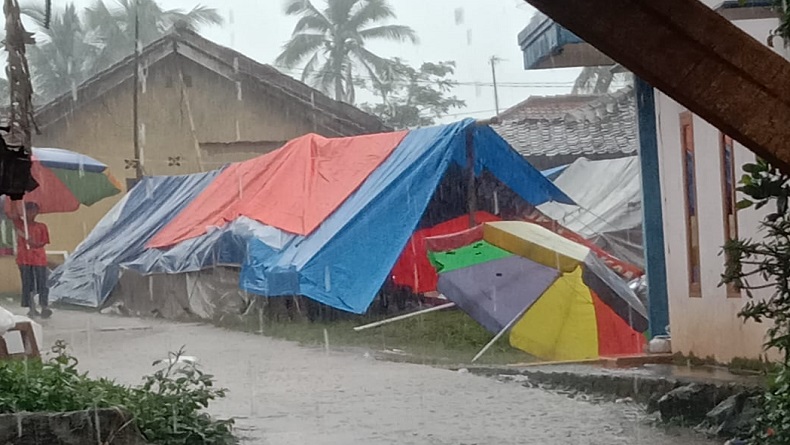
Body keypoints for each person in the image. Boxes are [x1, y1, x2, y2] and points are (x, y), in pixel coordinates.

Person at [13, 202, 51, 318]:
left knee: (42, 283)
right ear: (25, 212)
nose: (32, 214)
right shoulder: (20, 225)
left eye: (34, 211)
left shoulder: (41, 226)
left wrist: (33, 242)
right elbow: (13, 216)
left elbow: (43, 242)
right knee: (28, 283)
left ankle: (44, 306)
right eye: (29, 211)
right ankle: (31, 307)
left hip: (39, 259)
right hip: (24, 259)